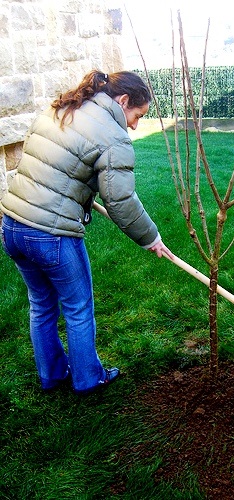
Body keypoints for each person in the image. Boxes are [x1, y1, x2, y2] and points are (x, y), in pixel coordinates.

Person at [0, 69, 174, 395]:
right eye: (138, 115)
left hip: (11, 226)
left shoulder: (63, 107)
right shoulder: (113, 136)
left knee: (41, 304)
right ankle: (88, 380)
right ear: (123, 101)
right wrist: (150, 237)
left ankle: (52, 376)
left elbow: (50, 159)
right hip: (50, 234)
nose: (136, 124)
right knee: (78, 308)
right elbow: (121, 201)